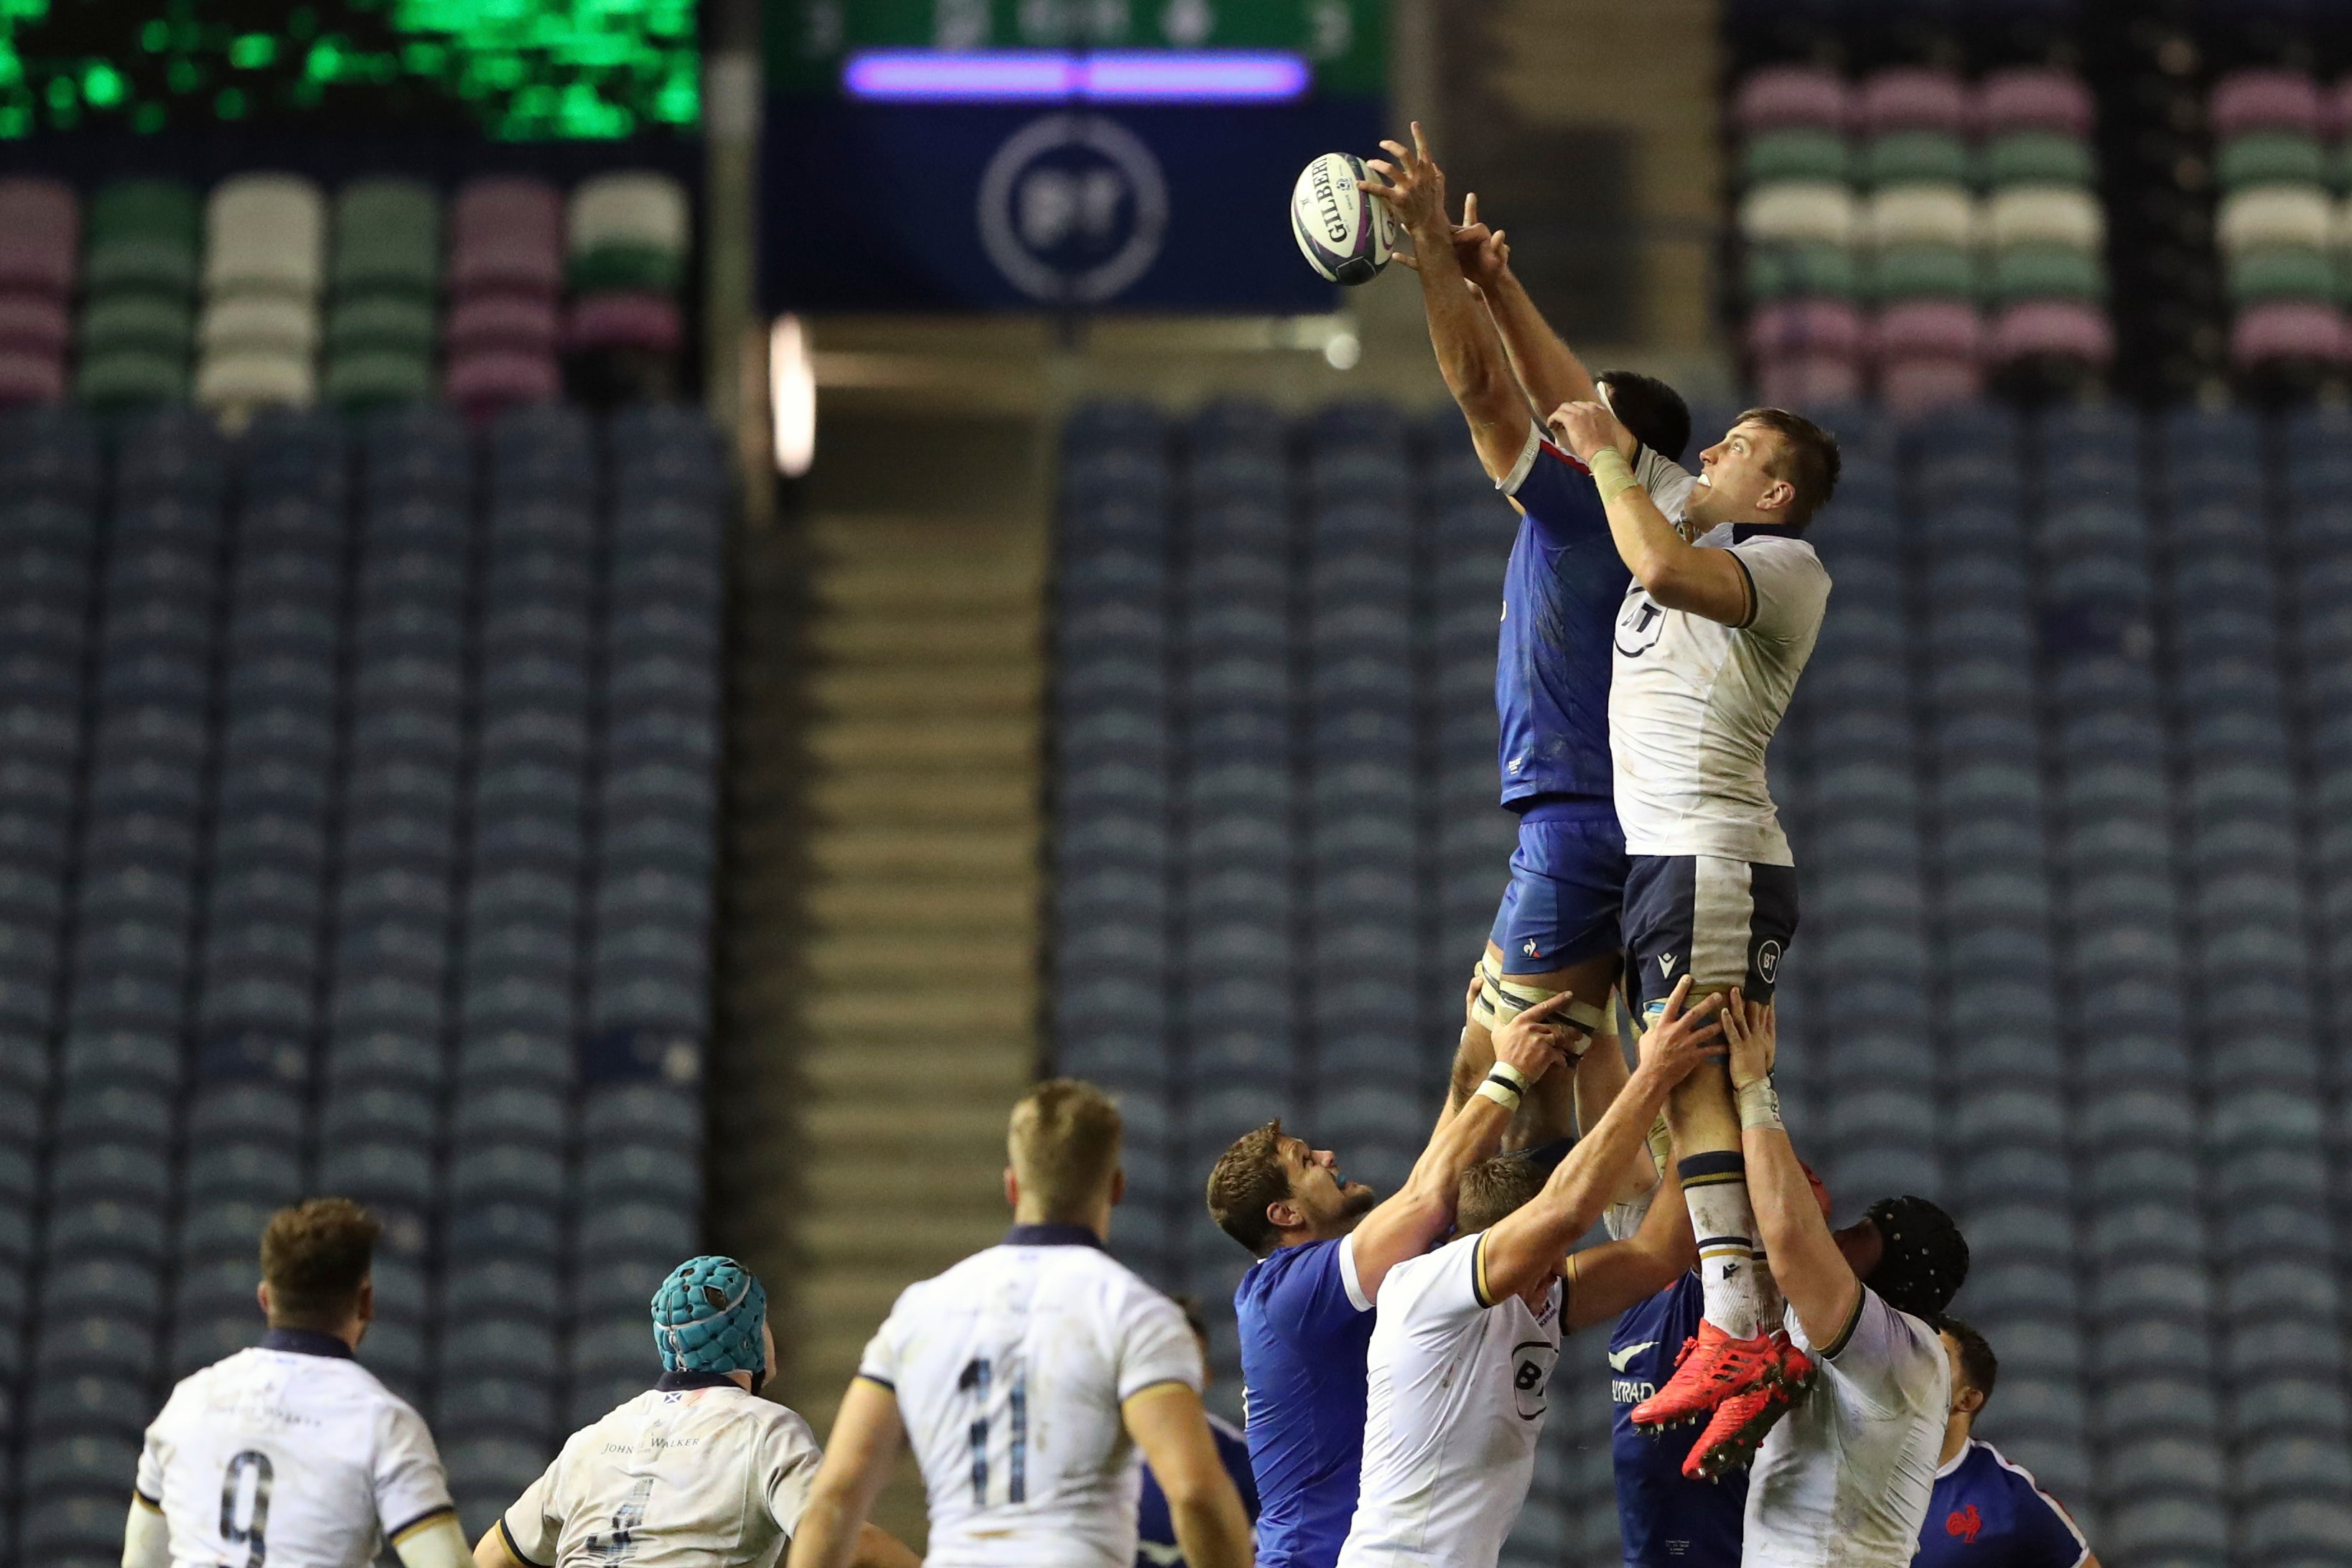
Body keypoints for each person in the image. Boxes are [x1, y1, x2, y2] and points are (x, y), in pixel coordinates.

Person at [1363, 123, 1697, 1149]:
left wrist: (1427, 253)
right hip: (1614, 825)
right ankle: (1553, 1299)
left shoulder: (1595, 510)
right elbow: (1557, 393)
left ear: (1618, 445)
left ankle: (1468, 1304)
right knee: (1561, 1092)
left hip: (1579, 831)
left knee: (1492, 1079)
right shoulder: (1635, 509)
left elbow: (1484, 392)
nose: (1569, 423)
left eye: (1590, 419)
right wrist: (1493, 286)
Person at [1544, 386, 1840, 1469]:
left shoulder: (1781, 565)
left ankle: (1741, 1323)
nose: (1708, 447)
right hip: (1683, 859)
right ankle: (1738, 1321)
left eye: (1740, 447)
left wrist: (1613, 468)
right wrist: (1478, 274)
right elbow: (1583, 404)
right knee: (1688, 1079)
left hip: (1714, 854)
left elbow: (1658, 565)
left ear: (1774, 490)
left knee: (1691, 1075)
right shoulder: (1689, 510)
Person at [1336, 976, 1725, 1568]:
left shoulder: (1531, 1293)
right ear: (1502, 1247)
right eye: (1542, 1264)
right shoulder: (1423, 1290)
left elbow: (1658, 1254)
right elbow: (1565, 1212)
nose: (1556, 1279)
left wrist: (1708, 1098)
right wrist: (1655, 1075)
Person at [788, 1081, 1253, 1568]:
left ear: (1012, 1184)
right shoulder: (1135, 1312)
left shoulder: (919, 1310)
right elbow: (1195, 1494)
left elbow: (834, 1499)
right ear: (1117, 1185)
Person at [1204, 987, 1585, 1568]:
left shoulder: (1345, 1278)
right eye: (1306, 1161)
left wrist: (1477, 1038)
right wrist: (1508, 1074)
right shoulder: (1287, 1295)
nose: (1328, 1156)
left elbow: (1441, 1165)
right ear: (1285, 1215)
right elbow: (1429, 1198)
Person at [1719, 992, 1972, 1562]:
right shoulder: (1837, 1334)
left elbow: (1790, 1241)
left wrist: (1756, 1089)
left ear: (1895, 1279)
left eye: (1860, 1238)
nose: (1836, 1242)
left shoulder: (1908, 1353)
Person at [470, 1255, 917, 1568]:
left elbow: (489, 1557)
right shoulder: (765, 1430)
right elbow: (844, 1541)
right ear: (749, 1338)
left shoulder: (593, 1438)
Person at [124, 1198, 473, 1568]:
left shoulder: (187, 1403)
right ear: (366, 1301)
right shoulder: (385, 1424)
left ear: (265, 1298)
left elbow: (140, 1562)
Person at [1913, 1319, 2098, 1568]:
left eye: (1934, 1356)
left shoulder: (2010, 1500)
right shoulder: (1850, 1455)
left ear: (1966, 1400)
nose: (1911, 1364)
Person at [1135, 1299, 1259, 1568]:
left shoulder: (1246, 1462)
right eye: (1163, 1361)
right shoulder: (1097, 1457)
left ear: (1207, 1374)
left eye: (1188, 1362)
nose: (1173, 1377)